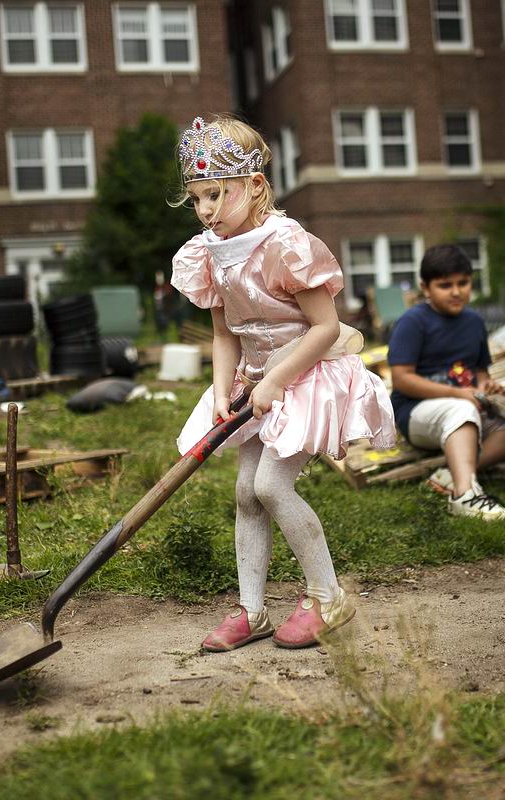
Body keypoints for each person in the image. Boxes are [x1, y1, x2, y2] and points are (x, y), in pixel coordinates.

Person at [170, 115, 396, 652]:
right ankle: (252, 612)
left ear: (253, 186)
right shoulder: (212, 252)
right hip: (257, 382)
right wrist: (225, 389)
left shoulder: (285, 245)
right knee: (247, 494)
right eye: (197, 198)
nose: (205, 211)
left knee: (272, 486)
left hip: (308, 374)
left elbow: (326, 328)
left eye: (216, 196)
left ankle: (328, 595)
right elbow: (225, 334)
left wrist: (274, 381)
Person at [387, 244, 505, 520]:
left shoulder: (474, 322)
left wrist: (486, 386)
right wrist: (458, 395)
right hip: (418, 414)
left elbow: (480, 372)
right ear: (426, 287)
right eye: (445, 285)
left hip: (468, 407)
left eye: (463, 283)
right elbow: (402, 380)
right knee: (462, 410)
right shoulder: (412, 322)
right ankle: (465, 495)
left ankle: (453, 472)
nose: (457, 292)